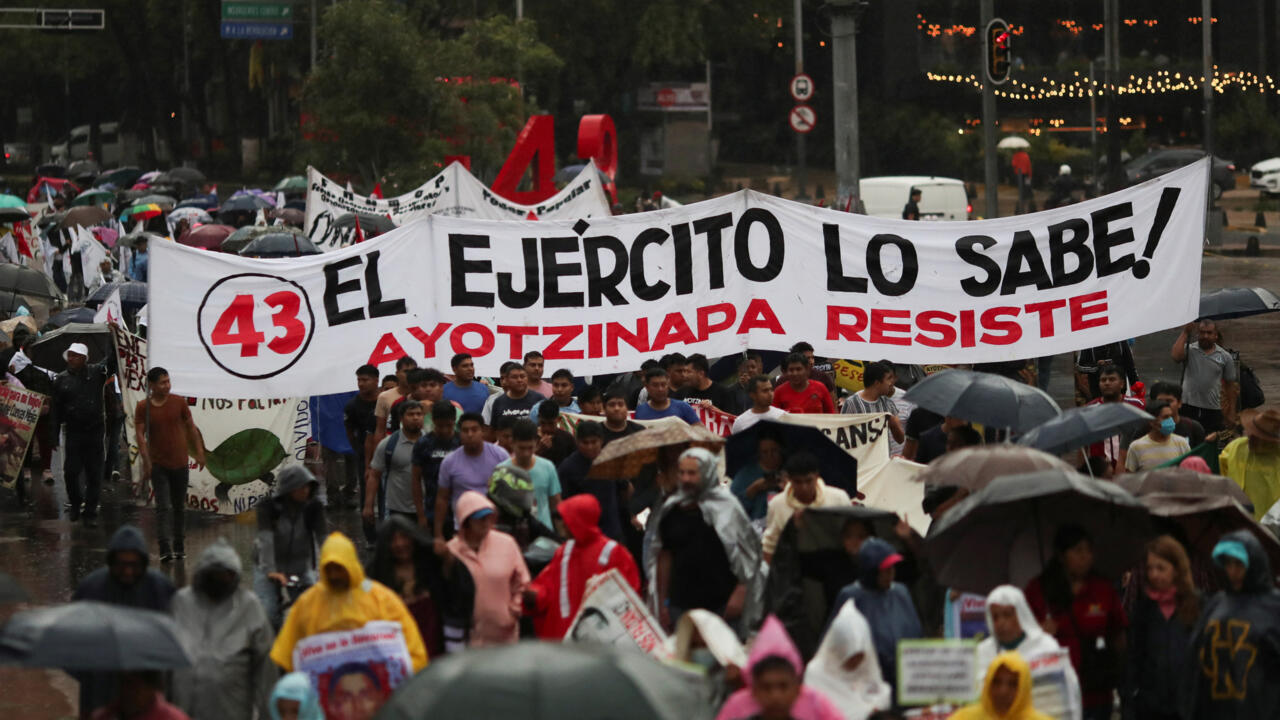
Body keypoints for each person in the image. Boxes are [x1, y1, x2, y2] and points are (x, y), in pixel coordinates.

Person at [270, 532, 427, 673]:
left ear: (351, 565)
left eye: (339, 568)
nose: (334, 575)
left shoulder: (381, 599)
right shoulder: (307, 603)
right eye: (329, 569)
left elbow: (414, 652)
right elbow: (285, 654)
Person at [649, 447, 764, 633]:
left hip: (723, 606)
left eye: (692, 473)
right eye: (682, 473)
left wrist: (741, 591)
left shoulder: (727, 508)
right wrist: (662, 602)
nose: (686, 479)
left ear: (707, 473)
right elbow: (665, 555)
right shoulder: (671, 509)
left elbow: (749, 553)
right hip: (681, 606)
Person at [1024, 526, 1126, 720]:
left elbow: (1119, 636)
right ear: (1061, 556)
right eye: (1078, 550)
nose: (1085, 556)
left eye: (1089, 550)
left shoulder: (1102, 588)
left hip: (1096, 693)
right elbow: (1019, 638)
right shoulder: (1037, 591)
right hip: (1054, 694)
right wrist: (1038, 633)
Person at [73, 525, 177, 714]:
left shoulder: (159, 588)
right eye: (122, 565)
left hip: (148, 694)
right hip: (99, 694)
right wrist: (93, 677)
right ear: (112, 562)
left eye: (134, 565)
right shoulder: (91, 589)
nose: (128, 572)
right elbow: (71, 643)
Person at [170, 538, 275, 720]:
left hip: (231, 712)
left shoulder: (249, 607)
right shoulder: (181, 602)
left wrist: (268, 715)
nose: (219, 580)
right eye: (214, 574)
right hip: (182, 712)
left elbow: (266, 673)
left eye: (226, 575)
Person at [1183, 530, 1280, 719]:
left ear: (1253, 563)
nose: (1233, 571)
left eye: (1239, 564)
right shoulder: (1217, 604)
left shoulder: (1274, 607)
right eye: (1228, 564)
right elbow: (1196, 660)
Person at [525, 494, 640, 639]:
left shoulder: (613, 553)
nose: (563, 524)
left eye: (568, 519)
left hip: (601, 636)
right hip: (565, 637)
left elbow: (628, 596)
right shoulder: (564, 552)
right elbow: (547, 585)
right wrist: (533, 594)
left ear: (579, 521)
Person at [367, 515, 473, 661]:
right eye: (393, 540)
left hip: (433, 645)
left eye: (404, 537)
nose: (400, 544)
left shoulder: (430, 565)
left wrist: (447, 558)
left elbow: (456, 590)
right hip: (397, 652)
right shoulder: (377, 574)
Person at [975, 586, 1081, 720]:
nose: (1001, 622)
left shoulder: (1045, 646)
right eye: (995, 617)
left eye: (1007, 615)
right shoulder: (983, 652)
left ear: (1021, 615)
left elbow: (1069, 693)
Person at [829, 538, 922, 690]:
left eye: (892, 567)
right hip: (868, 683)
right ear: (871, 571)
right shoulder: (852, 596)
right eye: (885, 569)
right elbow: (836, 644)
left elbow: (915, 632)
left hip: (905, 679)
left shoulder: (900, 592)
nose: (891, 573)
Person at [1123, 536, 1198, 720]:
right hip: (1150, 707)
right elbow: (1133, 659)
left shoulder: (1197, 607)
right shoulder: (1143, 610)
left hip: (1189, 707)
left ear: (1177, 569)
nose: (1154, 575)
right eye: (1150, 568)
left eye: (1161, 568)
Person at [716, 615, 844, 720]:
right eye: (766, 687)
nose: (775, 696)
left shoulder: (816, 703)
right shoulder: (736, 708)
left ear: (797, 689)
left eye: (783, 686)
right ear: (754, 690)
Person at [135, 366, 204, 560]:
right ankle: (165, 548)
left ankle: (179, 545)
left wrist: (199, 452)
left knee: (179, 506)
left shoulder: (179, 402)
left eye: (168, 381)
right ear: (151, 385)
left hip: (180, 463)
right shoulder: (143, 407)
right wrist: (146, 460)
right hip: (158, 464)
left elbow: (191, 428)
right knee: (163, 507)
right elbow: (140, 435)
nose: (167, 385)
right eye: (162, 383)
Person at [446, 491, 530, 646]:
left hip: (504, 636)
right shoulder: (451, 551)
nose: (486, 522)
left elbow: (522, 581)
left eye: (488, 517)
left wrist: (514, 610)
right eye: (479, 519)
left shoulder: (507, 543)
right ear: (466, 521)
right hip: (466, 640)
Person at [50, 341, 116, 525]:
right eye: (70, 355)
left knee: (94, 474)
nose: (71, 359)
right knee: (71, 472)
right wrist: (53, 435)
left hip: (95, 431)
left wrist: (113, 338)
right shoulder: (61, 380)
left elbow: (112, 362)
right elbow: (56, 410)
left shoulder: (97, 372)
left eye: (76, 356)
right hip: (74, 432)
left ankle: (90, 513)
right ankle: (76, 502)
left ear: (84, 358)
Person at [253, 465, 326, 630]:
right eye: (301, 487)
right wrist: (271, 570)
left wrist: (332, 565)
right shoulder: (268, 507)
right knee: (270, 612)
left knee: (312, 608)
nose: (306, 491)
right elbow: (266, 539)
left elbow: (323, 539)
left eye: (308, 487)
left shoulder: (313, 508)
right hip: (266, 564)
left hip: (299, 565)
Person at [804, 600, 892, 720]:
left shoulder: (867, 667)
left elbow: (879, 693)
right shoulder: (816, 674)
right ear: (838, 651)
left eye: (860, 657)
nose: (856, 662)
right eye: (851, 658)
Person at [433, 412, 509, 549]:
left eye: (474, 430)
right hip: (462, 528)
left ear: (482, 431)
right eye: (465, 430)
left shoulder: (500, 456)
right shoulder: (449, 462)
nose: (470, 434)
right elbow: (442, 498)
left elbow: (510, 491)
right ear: (459, 433)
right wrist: (438, 535)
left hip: (494, 527)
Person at [762, 452, 853, 562]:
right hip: (794, 565)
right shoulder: (777, 504)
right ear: (789, 479)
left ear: (817, 476)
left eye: (808, 481)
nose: (804, 487)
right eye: (798, 482)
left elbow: (852, 535)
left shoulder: (838, 498)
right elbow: (770, 546)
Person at [557, 421, 625, 542]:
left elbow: (625, 489)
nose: (590, 447)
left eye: (594, 442)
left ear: (601, 440)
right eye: (585, 443)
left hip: (612, 532)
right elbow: (561, 502)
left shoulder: (611, 461)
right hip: (583, 534)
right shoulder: (567, 468)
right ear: (577, 442)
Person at [1171, 319, 1238, 432]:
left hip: (1212, 409)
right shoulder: (1190, 349)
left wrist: (1232, 411)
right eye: (1202, 332)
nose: (1205, 336)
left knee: (1210, 440)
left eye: (1209, 333)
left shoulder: (1225, 356)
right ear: (1198, 334)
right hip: (1188, 407)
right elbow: (1175, 356)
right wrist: (1185, 332)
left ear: (1216, 335)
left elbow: (1230, 385)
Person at [366, 400, 426, 526]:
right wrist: (368, 506)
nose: (415, 418)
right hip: (397, 510)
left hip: (427, 509)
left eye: (419, 414)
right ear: (401, 418)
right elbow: (374, 475)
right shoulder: (388, 444)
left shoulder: (430, 443)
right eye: (411, 414)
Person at [496, 419, 561, 529]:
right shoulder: (501, 471)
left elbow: (555, 504)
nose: (526, 453)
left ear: (536, 443)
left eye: (530, 448)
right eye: (521, 448)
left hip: (544, 533)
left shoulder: (548, 467)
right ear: (512, 443)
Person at [950, 652, 1053, 720]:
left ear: (1024, 688)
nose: (1003, 691)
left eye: (1013, 684)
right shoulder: (964, 717)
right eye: (996, 682)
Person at [1220, 407, 1280, 520]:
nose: (1251, 438)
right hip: (1236, 516)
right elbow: (1222, 473)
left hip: (1269, 522)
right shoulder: (1236, 447)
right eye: (1251, 432)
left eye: (1258, 436)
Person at [1085, 366, 1145, 473]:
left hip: (1131, 468)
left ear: (1122, 384)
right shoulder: (1090, 409)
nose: (1107, 383)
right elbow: (1083, 444)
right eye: (1103, 380)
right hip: (1100, 471)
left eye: (1112, 379)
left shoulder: (1137, 406)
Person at [412, 401, 461, 531]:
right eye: (440, 426)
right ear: (433, 421)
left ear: (454, 420)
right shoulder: (423, 444)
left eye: (448, 425)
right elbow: (416, 480)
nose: (444, 430)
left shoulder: (461, 443)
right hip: (432, 510)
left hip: (459, 511)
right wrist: (421, 515)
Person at [343, 364, 381, 509]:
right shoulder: (352, 406)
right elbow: (349, 431)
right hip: (364, 454)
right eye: (359, 380)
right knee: (366, 486)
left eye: (365, 380)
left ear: (376, 380)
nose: (361, 384)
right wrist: (359, 450)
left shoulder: (385, 401)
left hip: (385, 451)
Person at [841, 361, 904, 445]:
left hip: (884, 453)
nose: (891, 383)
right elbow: (842, 435)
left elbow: (901, 440)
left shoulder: (888, 403)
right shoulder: (852, 403)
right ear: (877, 383)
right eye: (888, 379)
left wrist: (893, 424)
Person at [730, 432, 785, 521]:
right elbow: (731, 508)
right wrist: (752, 490)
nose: (770, 456)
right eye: (765, 452)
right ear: (759, 453)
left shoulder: (790, 470)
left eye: (774, 451)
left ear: (781, 450)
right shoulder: (746, 474)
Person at [89, 671, 189, 720]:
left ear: (151, 688)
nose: (126, 692)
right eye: (123, 683)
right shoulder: (107, 715)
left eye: (133, 686)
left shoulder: (171, 718)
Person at [1124, 401, 1191, 473]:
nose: (1170, 420)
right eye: (1166, 417)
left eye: (1170, 416)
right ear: (1152, 421)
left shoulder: (1182, 443)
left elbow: (1190, 472)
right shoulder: (1136, 447)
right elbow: (1129, 476)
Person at [372, 356, 416, 451]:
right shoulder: (384, 397)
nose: (409, 375)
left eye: (412, 371)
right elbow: (380, 430)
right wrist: (377, 454)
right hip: (393, 447)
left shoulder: (421, 395)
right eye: (405, 371)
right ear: (397, 373)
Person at [1146, 381, 1207, 447]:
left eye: (1169, 401)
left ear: (1179, 403)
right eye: (1160, 401)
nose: (1165, 404)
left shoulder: (1193, 428)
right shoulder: (1145, 428)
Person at [635, 367, 701, 423]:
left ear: (668, 385)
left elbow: (700, 429)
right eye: (655, 385)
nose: (660, 389)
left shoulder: (683, 407)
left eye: (663, 385)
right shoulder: (641, 410)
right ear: (647, 387)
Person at [534, 402, 576, 466]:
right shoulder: (530, 437)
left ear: (559, 419)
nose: (547, 428)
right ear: (538, 418)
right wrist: (539, 450)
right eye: (543, 423)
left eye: (551, 424)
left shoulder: (567, 439)